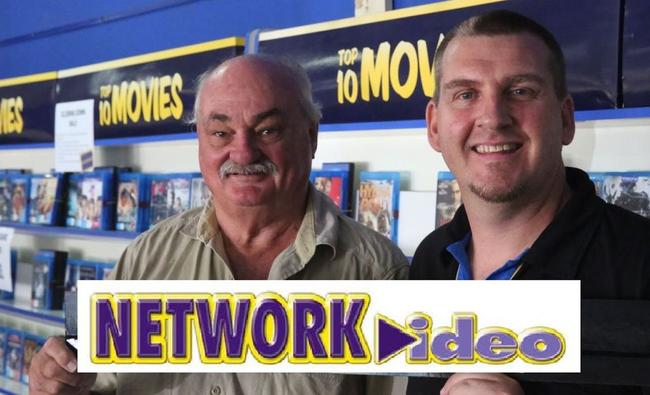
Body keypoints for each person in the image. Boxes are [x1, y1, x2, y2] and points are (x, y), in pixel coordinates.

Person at [28, 54, 409, 395]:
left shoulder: (379, 273)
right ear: (200, 140)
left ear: (310, 137)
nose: (243, 152)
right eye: (220, 132)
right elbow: (97, 387)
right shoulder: (144, 261)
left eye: (267, 130)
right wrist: (58, 384)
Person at [408, 9, 650, 395]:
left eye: (520, 91)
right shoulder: (432, 260)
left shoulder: (640, 264)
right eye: (466, 94)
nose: (492, 117)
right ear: (435, 126)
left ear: (565, 119)